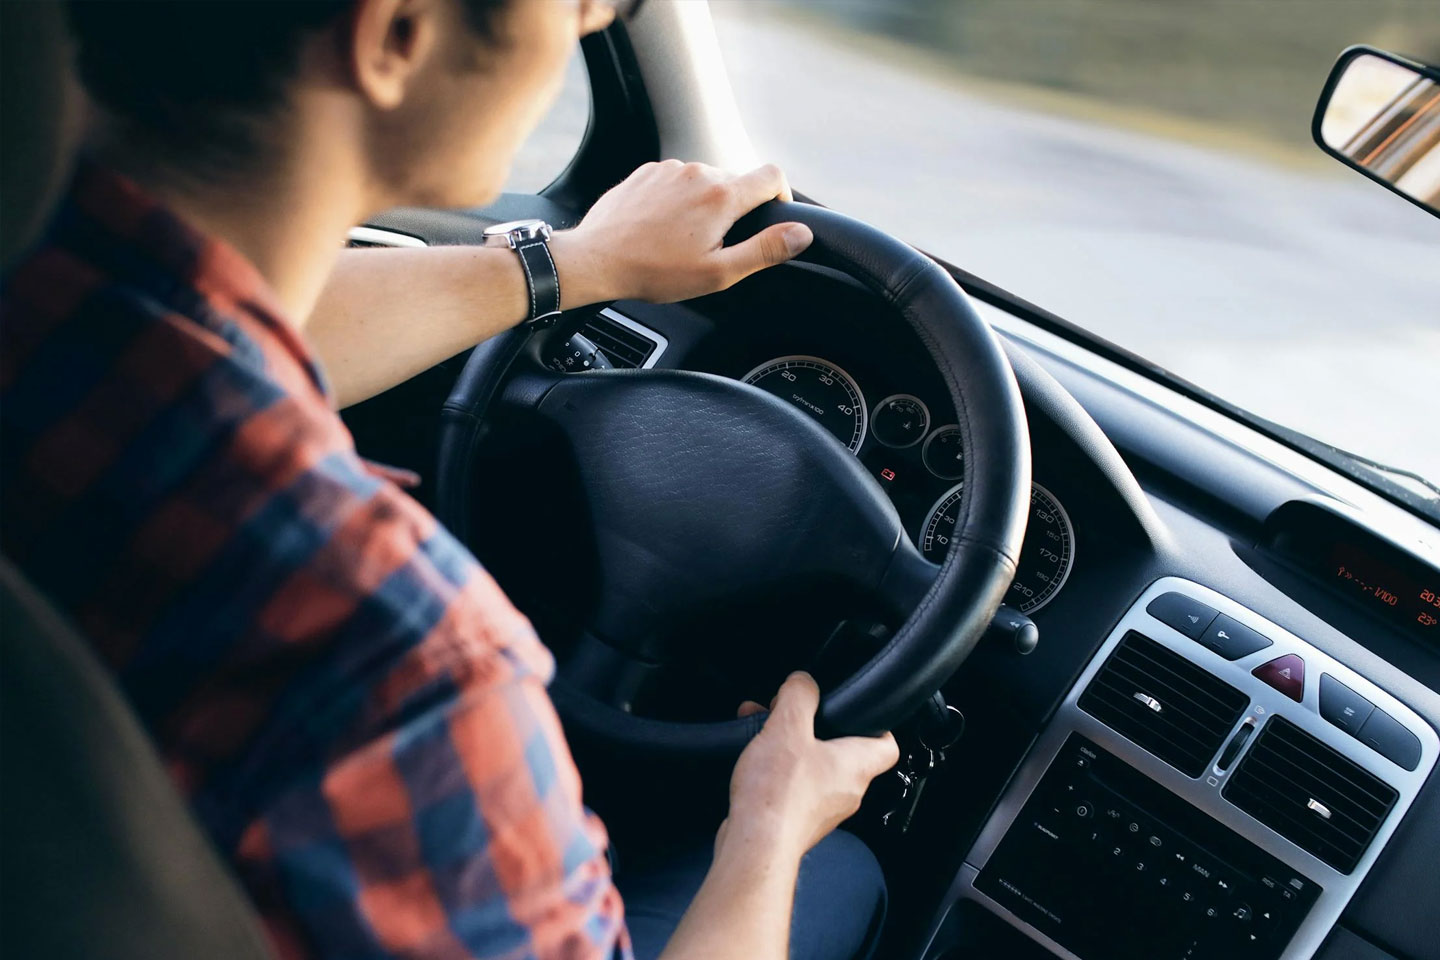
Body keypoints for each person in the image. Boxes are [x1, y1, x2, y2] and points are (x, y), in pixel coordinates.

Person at [0, 2, 900, 960]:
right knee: (837, 875)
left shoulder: (48, 289)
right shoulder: (398, 665)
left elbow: (230, 324)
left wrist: (579, 263)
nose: (590, 19)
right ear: (396, 34)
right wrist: (769, 825)